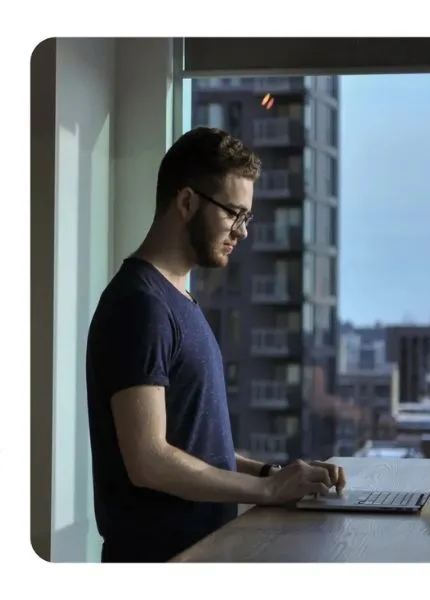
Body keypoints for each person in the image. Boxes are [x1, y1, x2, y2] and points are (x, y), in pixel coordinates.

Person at [85, 127, 347, 563]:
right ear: (186, 202)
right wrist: (266, 490)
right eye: (233, 214)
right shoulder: (140, 305)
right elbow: (149, 459)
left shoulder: (178, 300)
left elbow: (193, 447)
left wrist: (275, 474)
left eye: (247, 217)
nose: (242, 232)